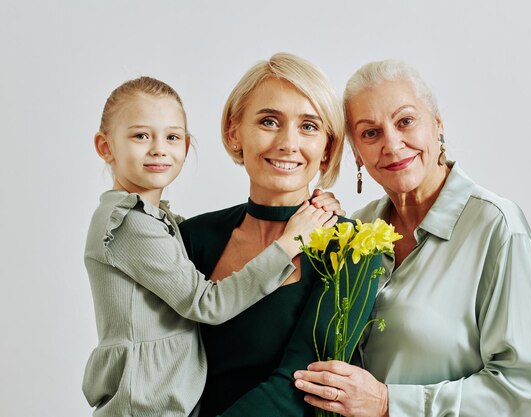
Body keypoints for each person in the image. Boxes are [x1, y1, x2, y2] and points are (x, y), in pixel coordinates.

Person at [293, 60, 531, 417]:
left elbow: (524, 393)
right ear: (357, 153)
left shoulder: (498, 227)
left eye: (405, 121)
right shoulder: (357, 227)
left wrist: (388, 404)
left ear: (438, 125)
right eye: (371, 133)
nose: (392, 144)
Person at [82, 76, 340, 417]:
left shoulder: (163, 222)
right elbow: (207, 303)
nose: (159, 148)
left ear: (186, 147)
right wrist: (289, 242)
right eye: (141, 135)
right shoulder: (129, 221)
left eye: (172, 137)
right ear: (105, 147)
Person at [179, 53, 382, 417]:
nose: (288, 143)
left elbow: (302, 383)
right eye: (269, 121)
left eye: (308, 126)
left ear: (327, 148)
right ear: (234, 131)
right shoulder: (192, 237)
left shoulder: (352, 247)